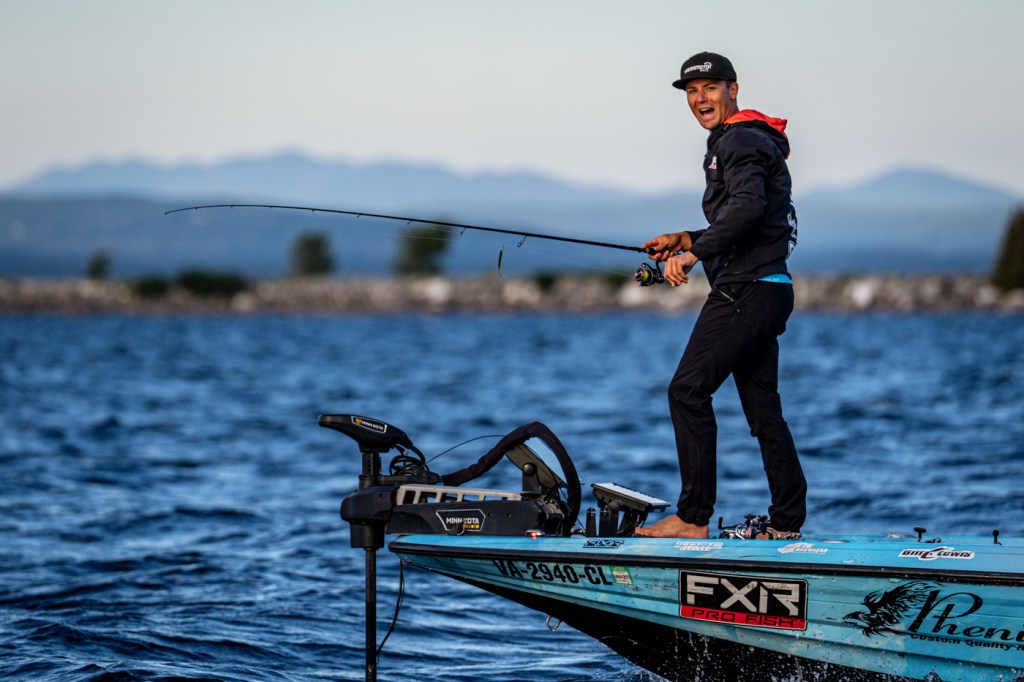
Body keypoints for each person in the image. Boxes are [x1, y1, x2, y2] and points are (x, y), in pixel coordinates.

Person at [634, 52, 806, 540]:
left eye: (710, 88)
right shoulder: (744, 139)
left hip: (745, 291)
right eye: (692, 91)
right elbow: (747, 215)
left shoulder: (740, 139)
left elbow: (748, 206)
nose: (700, 99)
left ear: (733, 89)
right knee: (763, 412)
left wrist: (694, 254)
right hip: (768, 289)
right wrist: (686, 238)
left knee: (687, 390)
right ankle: (787, 522)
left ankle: (692, 517)